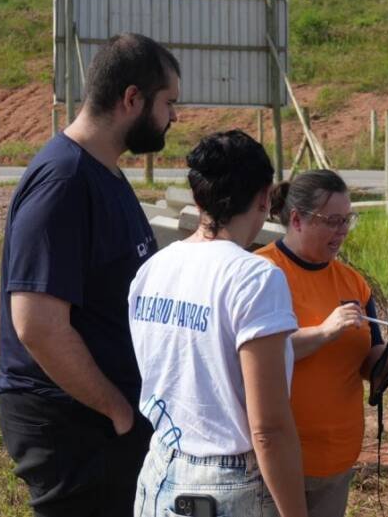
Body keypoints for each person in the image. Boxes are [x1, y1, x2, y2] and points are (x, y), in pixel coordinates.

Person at [0, 33, 179, 516]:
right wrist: (118, 412)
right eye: (168, 103)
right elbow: (37, 325)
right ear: (132, 99)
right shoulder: (64, 181)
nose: (174, 117)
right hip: (73, 422)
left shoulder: (103, 171)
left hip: (98, 416)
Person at [128, 130, 307, 517]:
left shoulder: (152, 269)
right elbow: (269, 429)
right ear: (264, 198)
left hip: (160, 466)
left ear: (198, 198)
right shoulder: (256, 277)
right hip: (228, 484)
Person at [256, 169, 385, 517]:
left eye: (347, 220)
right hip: (278, 460)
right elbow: (260, 356)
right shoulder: (262, 272)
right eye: (332, 221)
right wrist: (325, 331)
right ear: (297, 219)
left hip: (338, 458)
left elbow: (370, 360)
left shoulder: (353, 282)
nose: (342, 230)